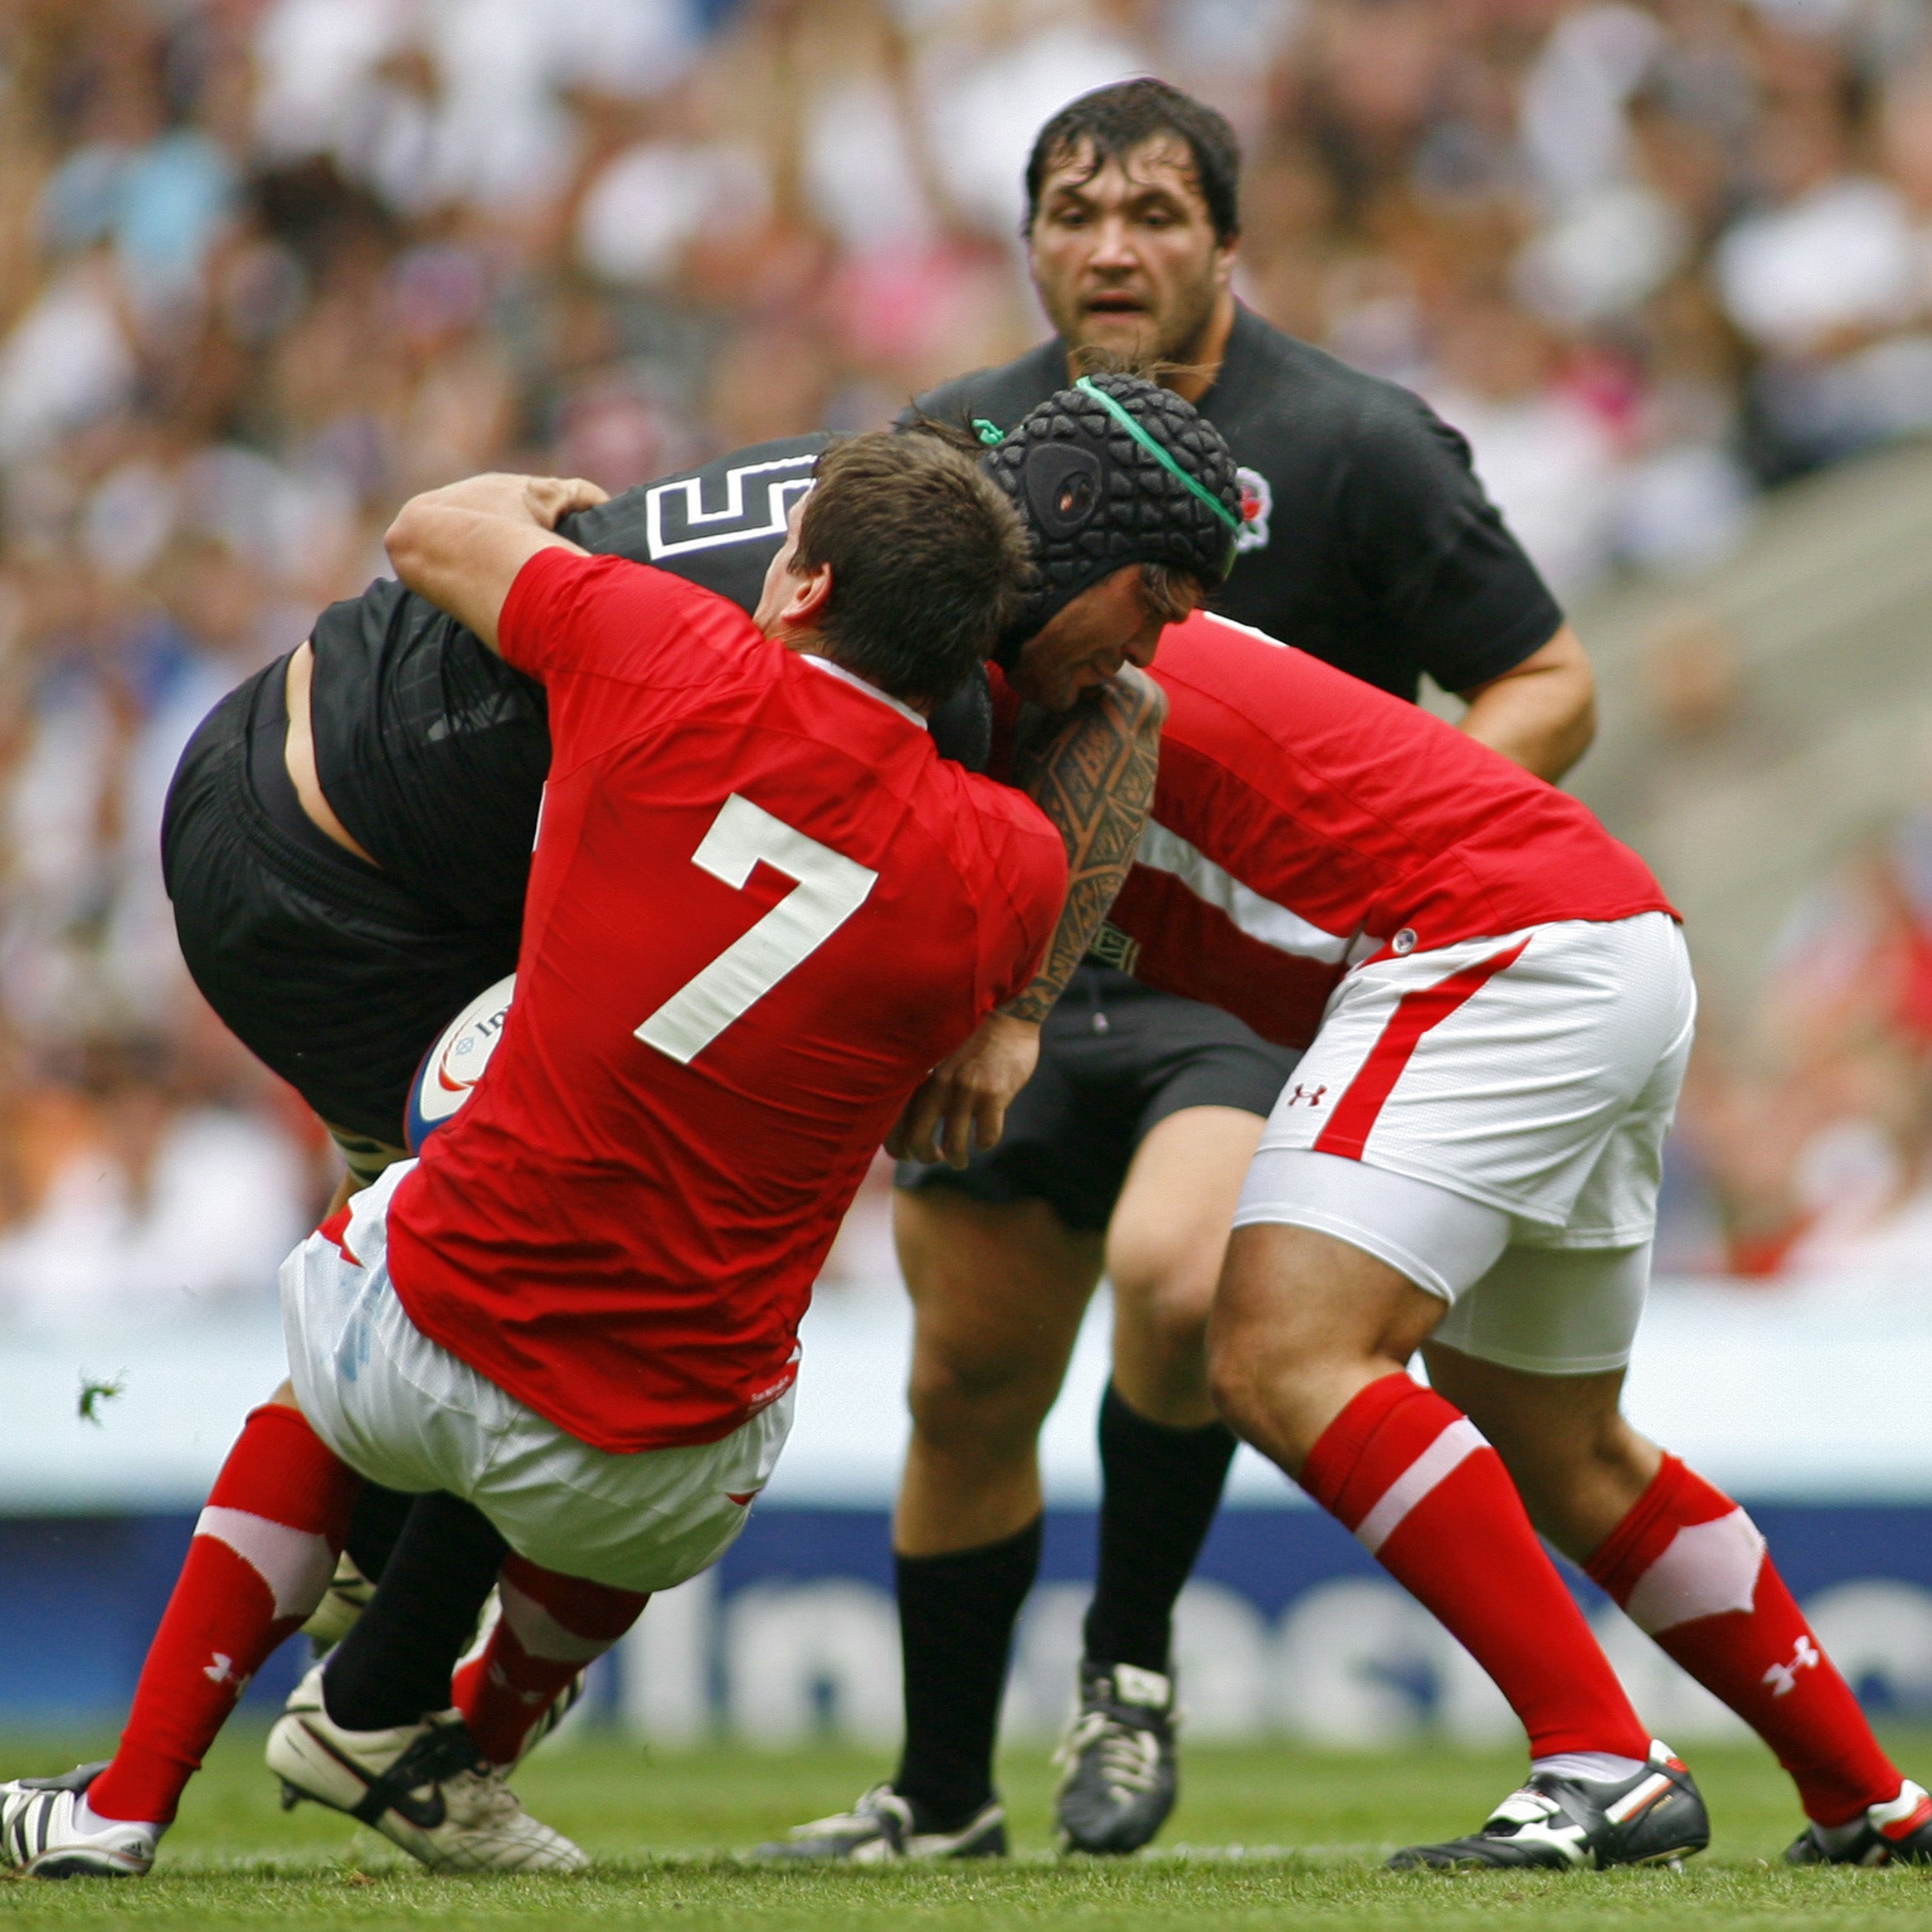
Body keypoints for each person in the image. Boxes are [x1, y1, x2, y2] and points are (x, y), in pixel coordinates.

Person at [0, 430, 1075, 1879]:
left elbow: (428, 533)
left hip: (423, 1343)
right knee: (702, 1379)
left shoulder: (663, 649)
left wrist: (541, 501)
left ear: (804, 581)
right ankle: (467, 1740)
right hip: (658, 1474)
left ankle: (119, 1807)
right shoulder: (1013, 863)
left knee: (379, 1253)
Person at [786, 589, 1932, 1872]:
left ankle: (1603, 1757)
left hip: (1481, 947)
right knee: (1570, 1448)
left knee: (1282, 1352)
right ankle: (1872, 1798)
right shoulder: (1052, 652)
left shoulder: (1004, 679)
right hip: (1596, 938)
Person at [784, 75, 1598, 1861]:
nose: (1112, 247)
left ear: (1229, 242)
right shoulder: (954, 442)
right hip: (1011, 970)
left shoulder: (1358, 439)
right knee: (960, 1387)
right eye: (1075, 214)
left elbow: (1548, 678)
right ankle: (937, 1798)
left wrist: (1410, 847)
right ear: (1029, 245)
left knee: (1177, 1280)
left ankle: (1128, 1663)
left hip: (1246, 983)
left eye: (1154, 214)